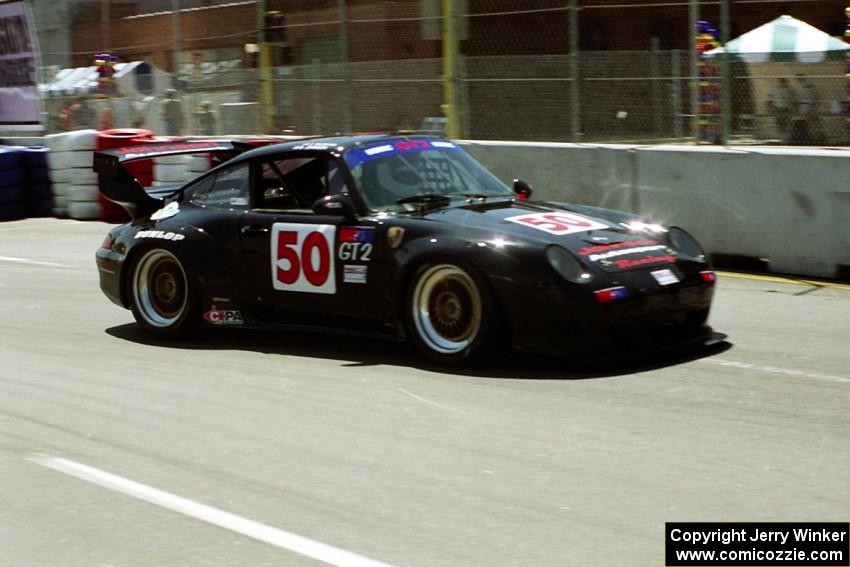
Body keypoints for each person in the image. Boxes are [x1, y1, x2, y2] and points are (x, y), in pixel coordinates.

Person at [795, 74, 819, 144]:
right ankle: (809, 137)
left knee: (809, 123)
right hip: (805, 105)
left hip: (806, 105)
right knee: (808, 123)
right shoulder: (805, 86)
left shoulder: (806, 86)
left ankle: (811, 137)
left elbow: (814, 96)